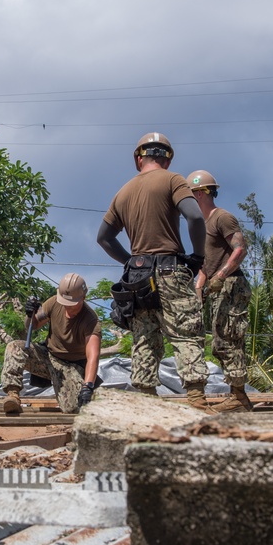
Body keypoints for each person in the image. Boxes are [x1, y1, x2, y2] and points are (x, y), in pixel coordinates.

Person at [97, 132, 214, 411]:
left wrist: (129, 261)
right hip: (170, 270)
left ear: (139, 158)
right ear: (168, 158)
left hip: (137, 279)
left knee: (145, 338)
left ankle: (147, 402)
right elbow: (196, 216)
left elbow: (103, 238)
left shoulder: (123, 192)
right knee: (185, 333)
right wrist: (197, 257)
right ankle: (196, 400)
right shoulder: (173, 180)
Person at [188, 170, 253, 413]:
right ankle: (237, 395)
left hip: (231, 286)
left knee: (230, 340)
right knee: (219, 343)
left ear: (200, 194)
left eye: (190, 195)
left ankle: (239, 398)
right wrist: (199, 287)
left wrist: (220, 277)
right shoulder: (202, 226)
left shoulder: (222, 217)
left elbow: (239, 250)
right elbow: (206, 263)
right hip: (217, 289)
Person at [1, 273, 102, 415]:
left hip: (70, 367)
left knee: (74, 408)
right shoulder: (54, 302)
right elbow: (32, 325)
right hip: (47, 357)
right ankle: (13, 395)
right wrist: (30, 315)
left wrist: (88, 386)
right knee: (14, 347)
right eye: (65, 303)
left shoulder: (91, 320)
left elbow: (93, 356)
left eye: (71, 305)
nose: (67, 308)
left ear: (83, 298)